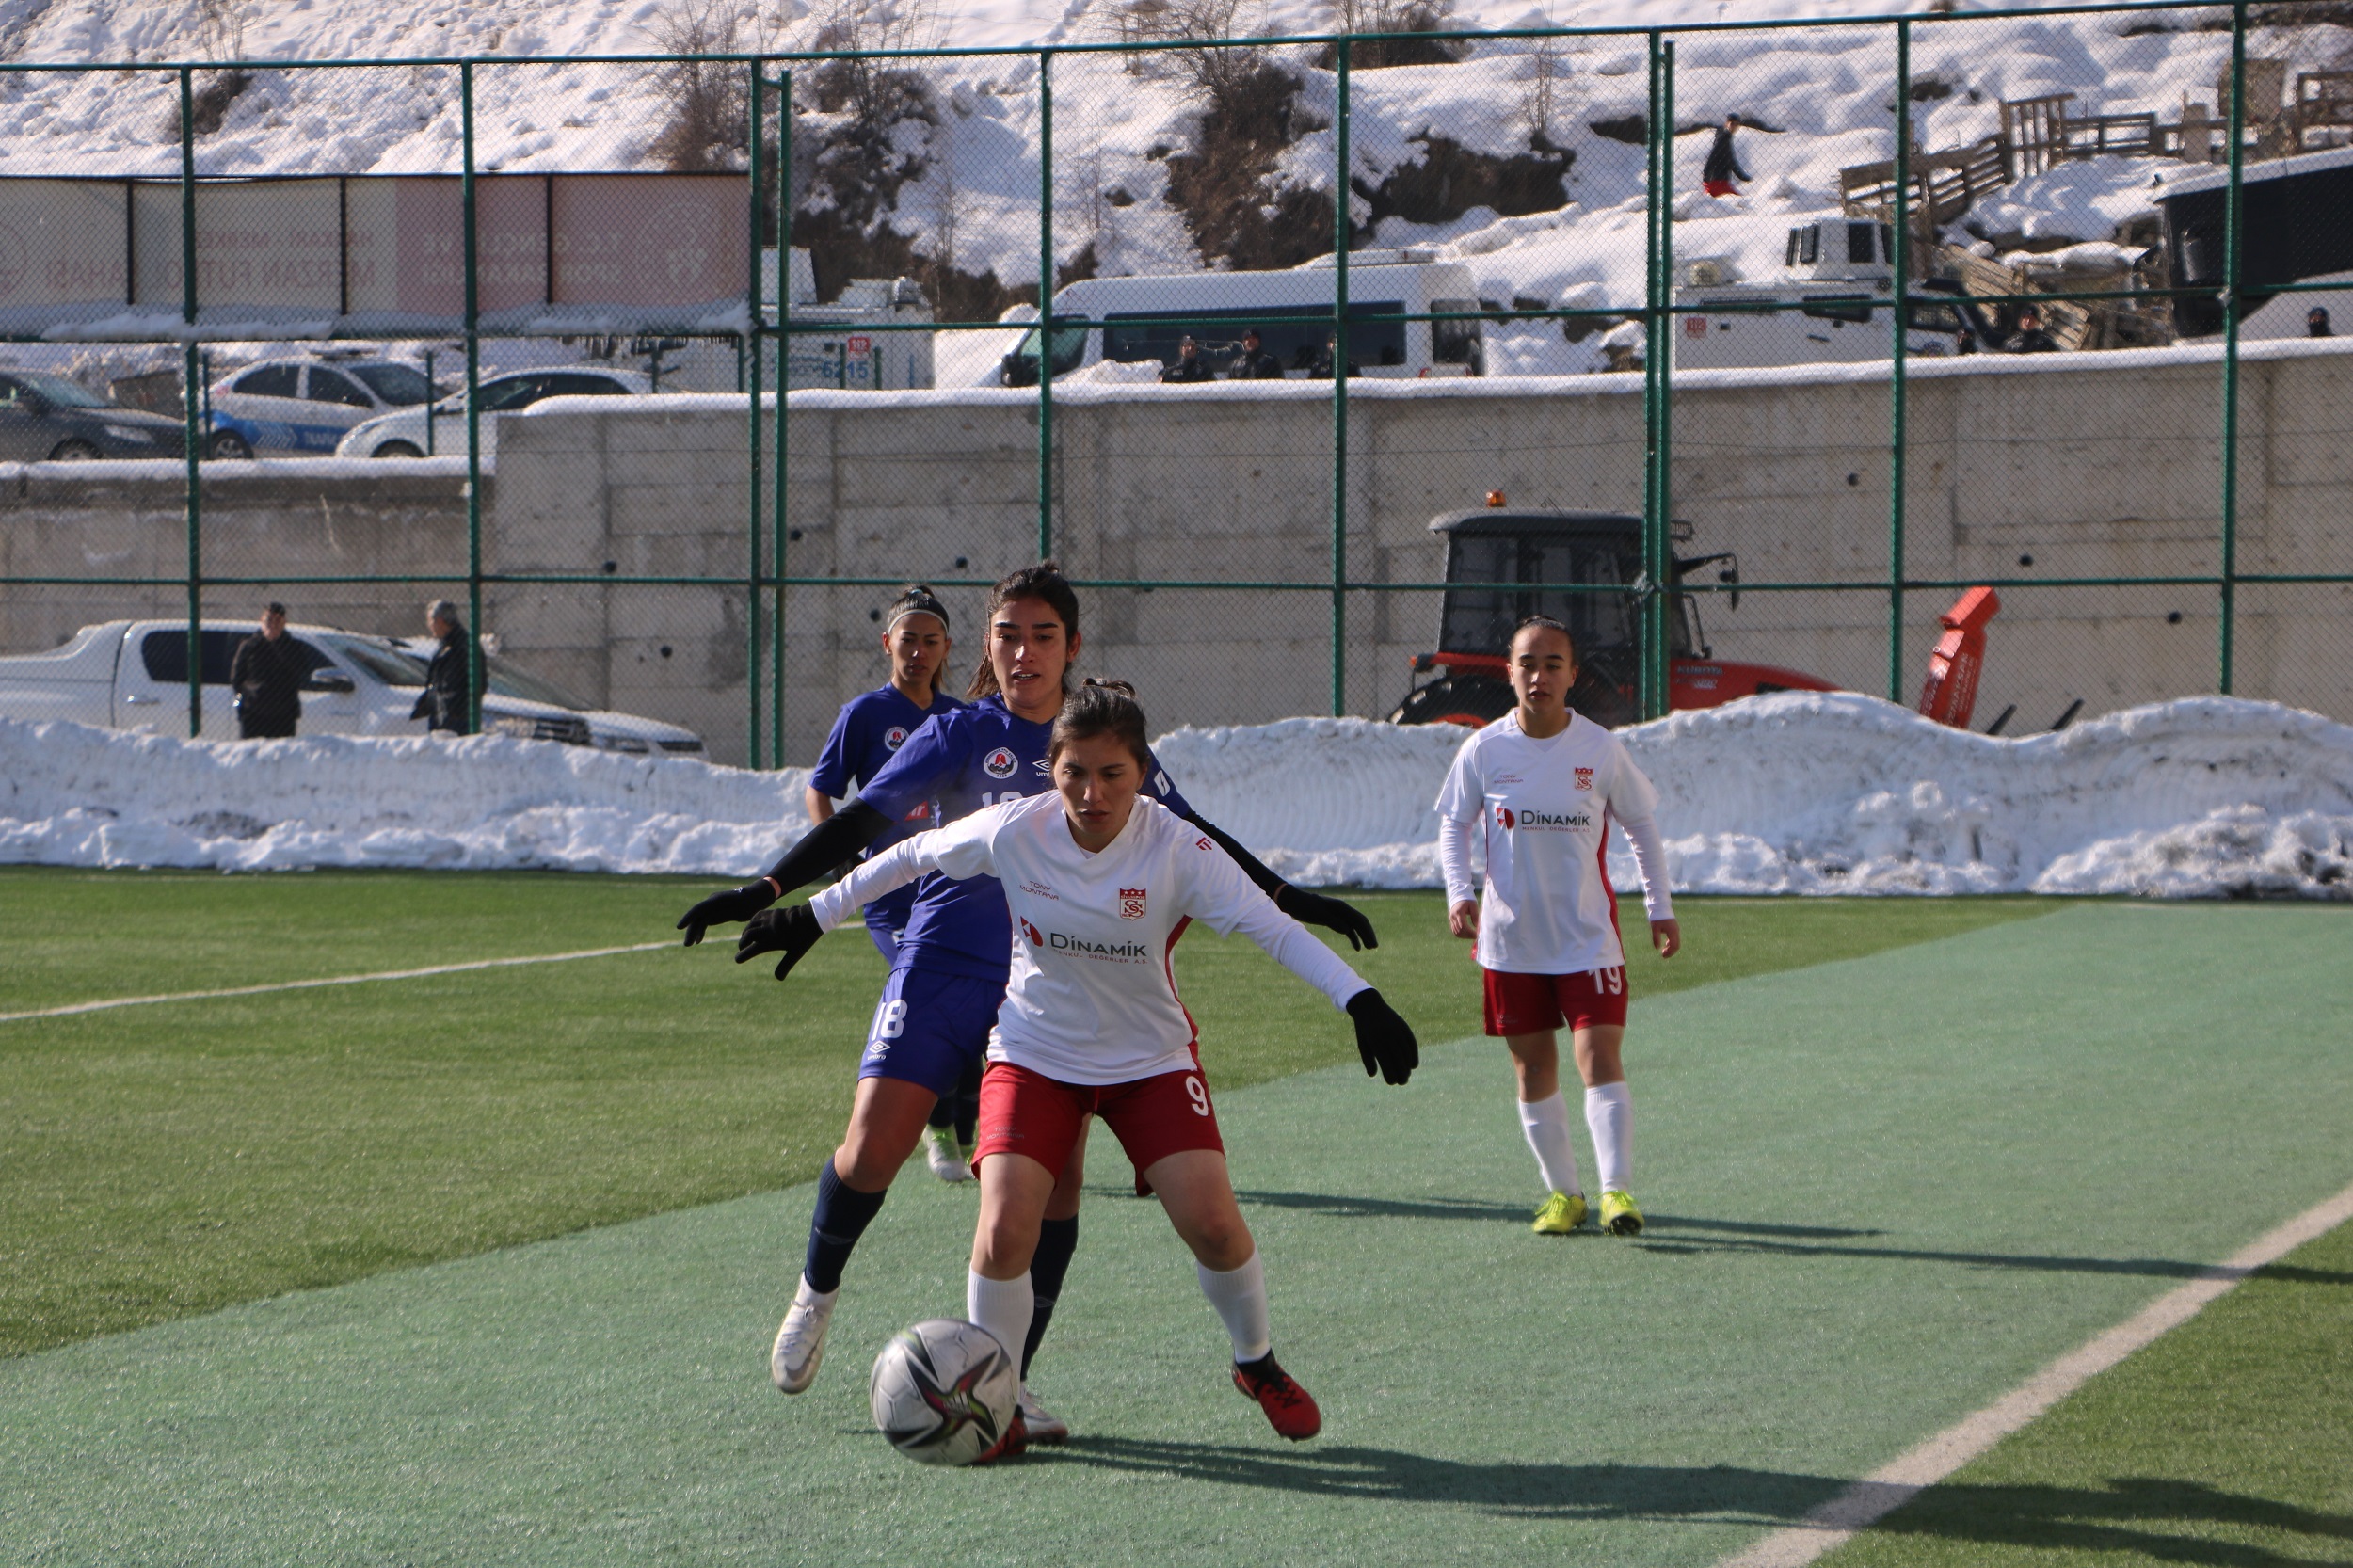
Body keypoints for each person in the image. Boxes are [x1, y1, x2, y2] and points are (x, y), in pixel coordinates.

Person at [675, 562, 1378, 1442]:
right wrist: (775, 890)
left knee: (1050, 1194)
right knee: (873, 1149)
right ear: (989, 646)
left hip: (1051, 994)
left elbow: (1198, 842)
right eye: (1007, 634)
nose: (1024, 652)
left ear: (1073, 647)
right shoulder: (963, 732)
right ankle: (818, 1291)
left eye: (1044, 635)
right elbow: (872, 826)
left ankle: (1007, 1385)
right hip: (946, 962)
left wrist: (1289, 899)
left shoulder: (1103, 743)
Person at [1435, 616, 1679, 1240]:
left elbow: (1642, 826)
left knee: (1599, 1056)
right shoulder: (1484, 749)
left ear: (1573, 674)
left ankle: (1616, 1192)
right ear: (1509, 672)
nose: (1538, 676)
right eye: (1527, 663)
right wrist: (1459, 892)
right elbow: (1453, 823)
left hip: (1586, 939)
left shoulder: (1599, 748)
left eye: (1551, 664)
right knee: (1533, 1072)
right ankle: (1563, 1196)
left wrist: (1660, 906)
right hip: (1511, 944)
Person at [806, 585, 979, 1183]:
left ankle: (969, 1130)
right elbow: (820, 787)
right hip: (891, 894)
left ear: (947, 649)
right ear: (888, 644)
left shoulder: (959, 719)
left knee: (977, 1015)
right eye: (909, 639)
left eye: (932, 641)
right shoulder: (865, 714)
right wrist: (841, 856)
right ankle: (940, 1135)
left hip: (952, 888)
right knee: (929, 999)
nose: (920, 651)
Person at [229, 601, 307, 740]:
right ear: (261, 621)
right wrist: (239, 707)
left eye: (277, 620)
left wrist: (277, 642)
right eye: (269, 620)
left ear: (284, 623)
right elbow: (236, 681)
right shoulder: (249, 645)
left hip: (283, 716)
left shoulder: (293, 646)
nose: (272, 624)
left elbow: (300, 673)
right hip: (253, 714)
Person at [410, 599, 476, 735]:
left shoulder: (460, 646)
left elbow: (472, 683)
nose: (429, 625)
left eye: (430, 621)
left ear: (439, 621)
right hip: (445, 715)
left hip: (455, 719)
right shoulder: (446, 645)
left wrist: (450, 705)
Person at [1702, 113, 1751, 198]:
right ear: (1726, 123)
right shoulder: (1724, 138)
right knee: (1738, 202)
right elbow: (1717, 156)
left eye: (1736, 124)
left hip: (1718, 181)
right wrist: (1743, 176)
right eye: (1732, 124)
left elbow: (1729, 160)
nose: (1734, 127)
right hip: (1718, 181)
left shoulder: (1724, 137)